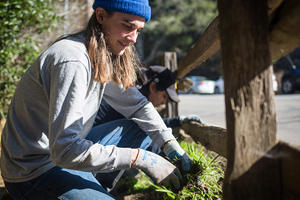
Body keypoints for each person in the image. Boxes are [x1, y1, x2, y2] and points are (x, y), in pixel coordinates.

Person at [0, 0, 192, 199]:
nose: (133, 38)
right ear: (100, 16)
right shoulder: (73, 60)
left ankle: (96, 187)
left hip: (61, 154)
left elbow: (137, 105)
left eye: (139, 30)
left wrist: (169, 143)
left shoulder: (101, 54)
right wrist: (138, 158)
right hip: (33, 171)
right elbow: (65, 150)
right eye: (127, 26)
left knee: (141, 127)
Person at [94, 65, 203, 129]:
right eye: (164, 96)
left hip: (88, 135)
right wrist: (179, 120)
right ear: (153, 87)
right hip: (88, 141)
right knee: (142, 132)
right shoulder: (134, 98)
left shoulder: (133, 88)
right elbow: (151, 125)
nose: (164, 102)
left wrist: (180, 120)